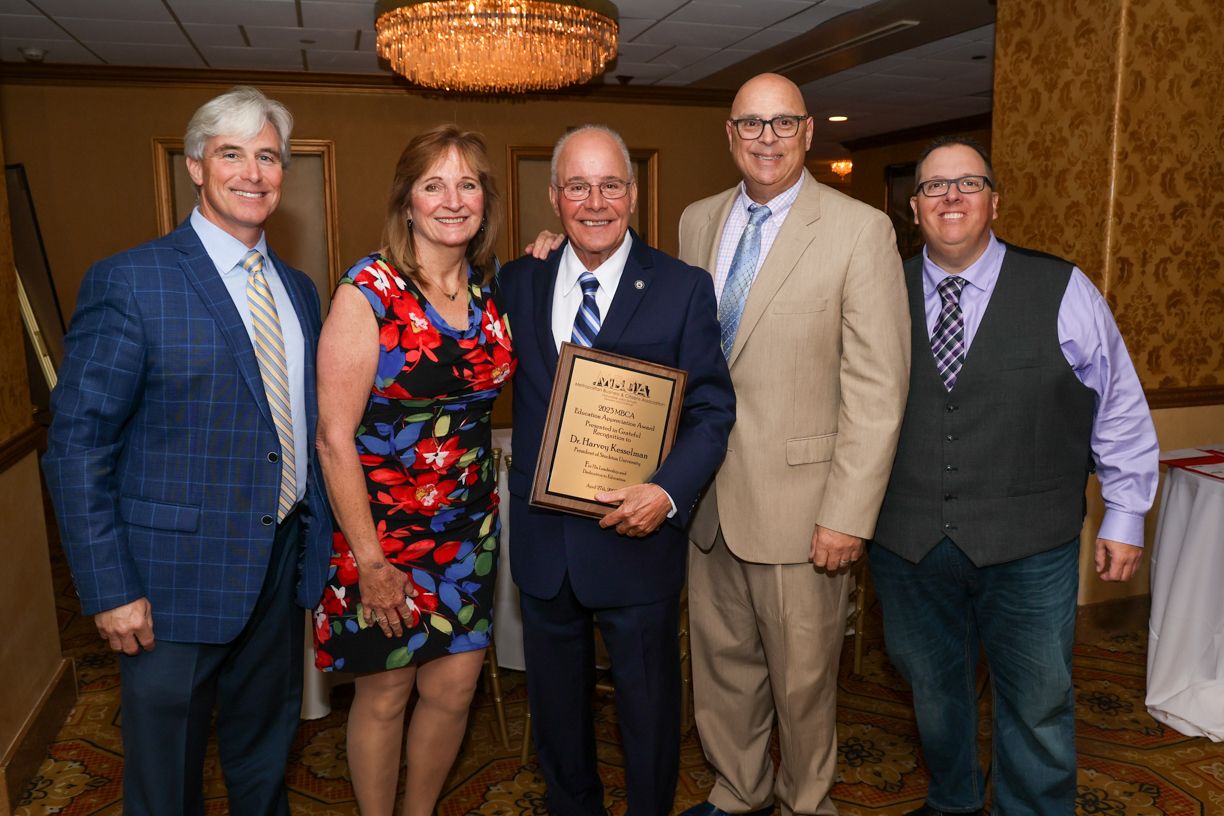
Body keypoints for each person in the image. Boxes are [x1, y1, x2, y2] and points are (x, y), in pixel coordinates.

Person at [42, 86, 332, 815]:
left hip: (278, 566)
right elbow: (77, 445)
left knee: (263, 758)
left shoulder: (298, 290)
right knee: (166, 781)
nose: (253, 172)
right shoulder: (131, 281)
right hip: (167, 586)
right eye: (232, 154)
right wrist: (108, 588)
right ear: (197, 166)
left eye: (268, 156)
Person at [869, 136, 1159, 816]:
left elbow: (1117, 404)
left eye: (968, 184)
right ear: (913, 208)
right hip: (907, 541)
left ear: (995, 201)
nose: (951, 198)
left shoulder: (1063, 287)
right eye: (934, 187)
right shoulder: (879, 291)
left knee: (1037, 703)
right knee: (934, 697)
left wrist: (1125, 512)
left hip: (1031, 544)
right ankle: (955, 803)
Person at [678, 73, 911, 816]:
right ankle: (738, 788)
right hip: (708, 501)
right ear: (730, 136)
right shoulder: (694, 222)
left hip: (805, 508)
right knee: (721, 669)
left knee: (804, 683)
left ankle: (807, 802)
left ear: (809, 132)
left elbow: (878, 390)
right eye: (751, 125)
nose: (766, 140)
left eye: (783, 124)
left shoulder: (858, 230)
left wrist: (847, 513)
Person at [500, 124, 735, 816]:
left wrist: (666, 492)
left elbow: (713, 408)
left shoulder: (682, 287)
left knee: (650, 713)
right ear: (555, 197)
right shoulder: (519, 280)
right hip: (546, 546)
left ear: (632, 194)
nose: (594, 201)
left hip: (636, 541)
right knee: (559, 718)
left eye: (610, 185)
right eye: (578, 185)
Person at [312, 124, 515, 816]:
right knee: (387, 691)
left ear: (486, 200)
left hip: (466, 534)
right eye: (434, 185)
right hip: (382, 536)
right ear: (407, 202)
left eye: (468, 185)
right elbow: (334, 439)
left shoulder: (490, 296)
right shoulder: (367, 290)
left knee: (454, 690)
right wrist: (369, 562)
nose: (452, 200)